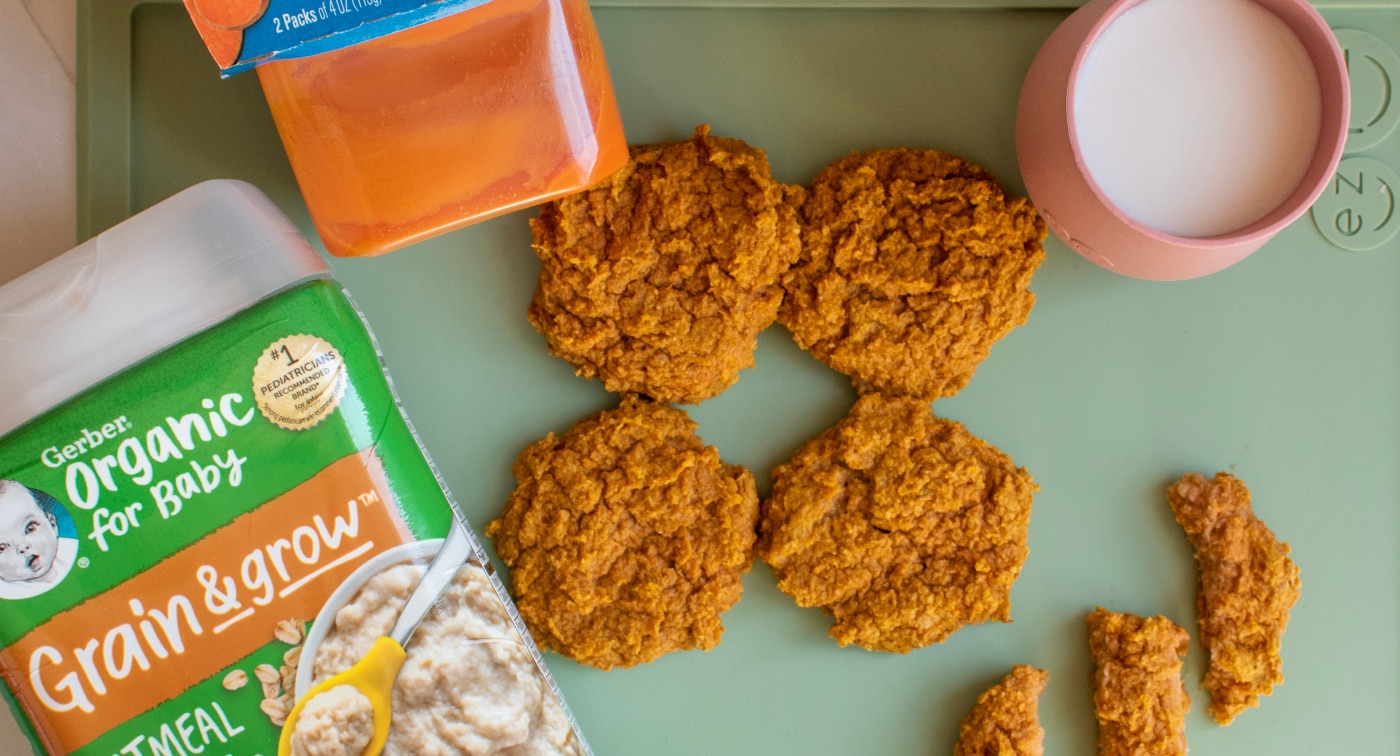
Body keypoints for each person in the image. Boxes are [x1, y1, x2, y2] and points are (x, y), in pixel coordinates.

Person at [0, 480, 76, 597]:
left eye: (30, 528)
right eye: (2, 548)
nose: (23, 547)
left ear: (52, 523)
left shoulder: (70, 550)